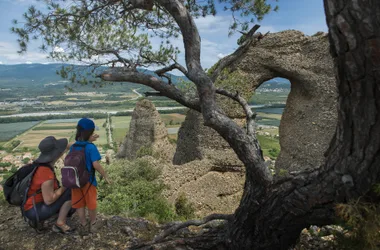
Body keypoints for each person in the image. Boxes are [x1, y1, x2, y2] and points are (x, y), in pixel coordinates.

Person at [24, 136, 75, 234]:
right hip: (34, 210)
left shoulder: (39, 164)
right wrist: (66, 184)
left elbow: (64, 148)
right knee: (72, 190)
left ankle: (38, 221)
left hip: (30, 204)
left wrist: (83, 143)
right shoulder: (45, 172)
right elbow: (49, 200)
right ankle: (59, 224)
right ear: (56, 154)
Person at [71, 118, 111, 235]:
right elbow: (95, 164)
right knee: (91, 203)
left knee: (79, 203)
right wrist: (105, 175)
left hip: (75, 180)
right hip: (88, 181)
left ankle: (83, 224)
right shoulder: (90, 147)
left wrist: (90, 139)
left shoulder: (74, 146)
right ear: (90, 132)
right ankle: (93, 223)